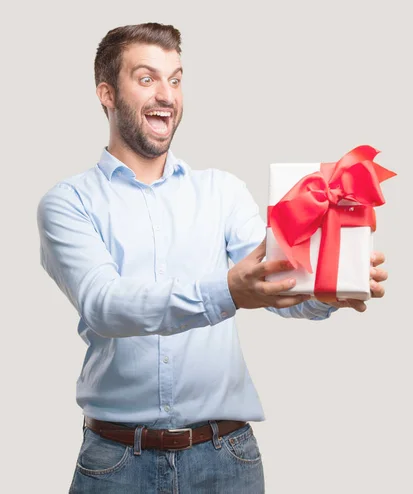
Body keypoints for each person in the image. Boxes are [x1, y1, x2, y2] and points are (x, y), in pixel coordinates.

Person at [37, 22, 388, 493]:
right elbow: (105, 304)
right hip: (118, 464)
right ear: (106, 93)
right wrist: (226, 290)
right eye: (147, 79)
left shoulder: (222, 192)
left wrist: (330, 286)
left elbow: (270, 283)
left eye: (176, 79)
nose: (167, 95)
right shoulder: (69, 202)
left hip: (226, 460)